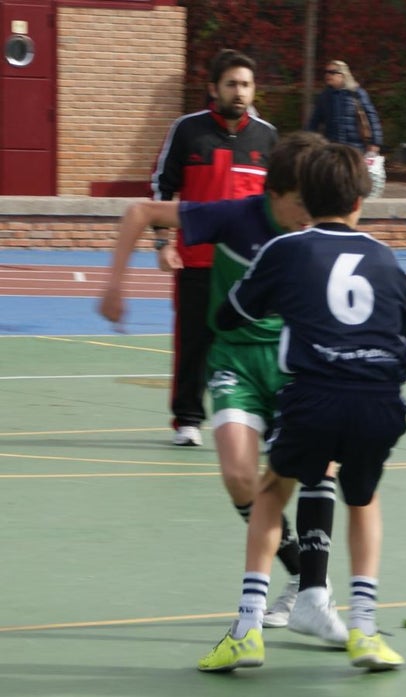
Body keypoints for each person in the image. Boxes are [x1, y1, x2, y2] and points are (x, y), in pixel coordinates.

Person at [99, 132, 345, 636]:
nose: (309, 210)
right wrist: (114, 283)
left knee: (320, 464)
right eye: (301, 199)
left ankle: (315, 593)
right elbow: (139, 213)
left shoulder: (315, 232)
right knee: (239, 477)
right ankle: (300, 578)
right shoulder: (233, 217)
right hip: (234, 359)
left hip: (292, 363)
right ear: (274, 193)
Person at [197, 143, 406, 673]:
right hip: (380, 399)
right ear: (361, 200)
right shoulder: (386, 257)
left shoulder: (288, 249)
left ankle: (248, 627)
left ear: (304, 199)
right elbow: (405, 330)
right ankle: (364, 629)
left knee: (272, 490)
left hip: (314, 394)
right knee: (362, 499)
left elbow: (230, 316)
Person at [152, 48, 278, 447]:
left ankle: (268, 418)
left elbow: (281, 199)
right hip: (196, 262)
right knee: (193, 342)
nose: (239, 92)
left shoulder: (268, 136)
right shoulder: (188, 130)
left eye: (245, 84)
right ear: (214, 88)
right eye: (231, 84)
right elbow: (161, 186)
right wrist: (162, 241)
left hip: (249, 267)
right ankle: (188, 419)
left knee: (261, 343)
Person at [307, 60, 383, 156]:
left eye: (332, 72)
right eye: (326, 72)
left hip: (355, 148)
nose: (327, 75)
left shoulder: (357, 93)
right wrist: (306, 141)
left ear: (342, 74)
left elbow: (372, 118)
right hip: (332, 148)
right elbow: (314, 121)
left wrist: (375, 143)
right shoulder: (324, 96)